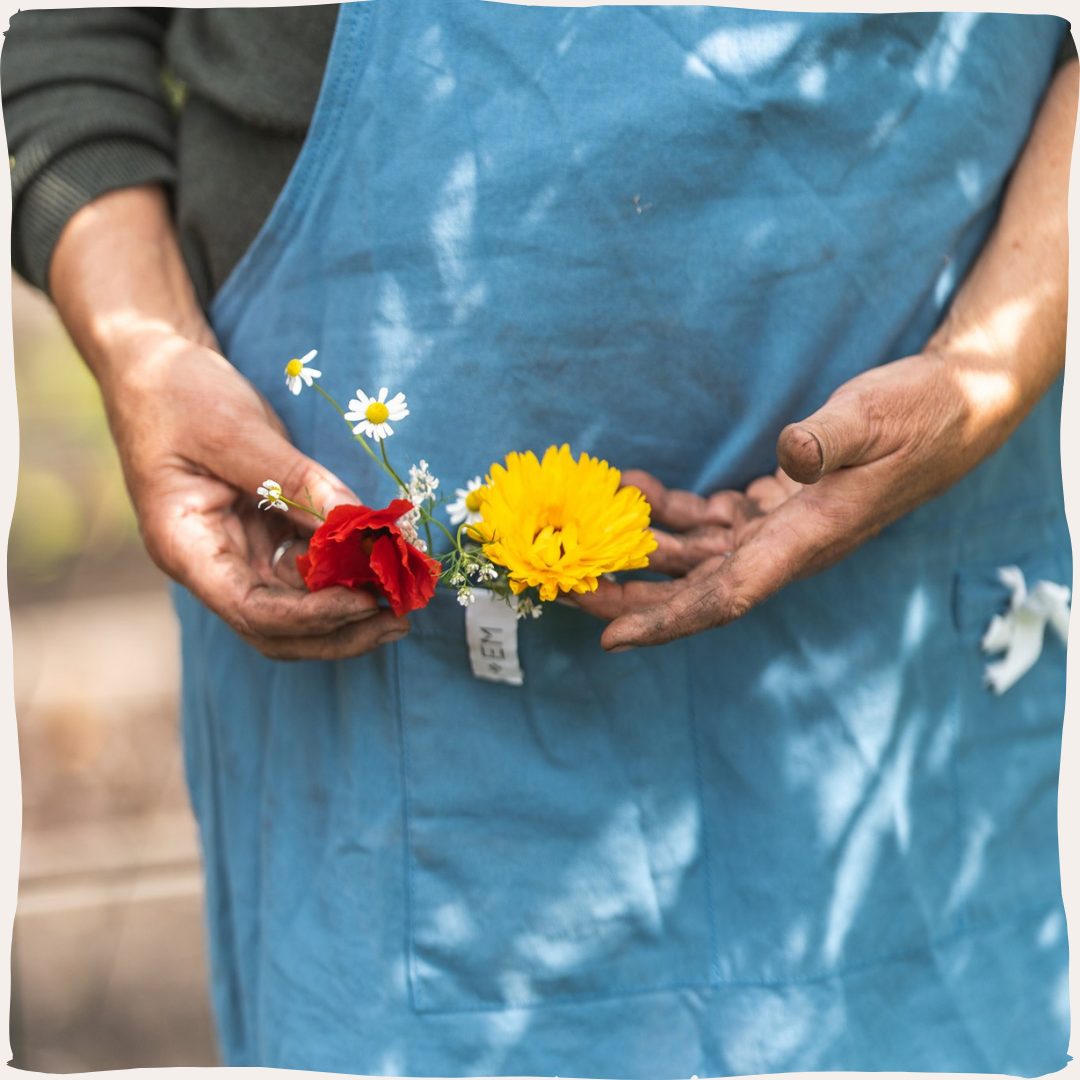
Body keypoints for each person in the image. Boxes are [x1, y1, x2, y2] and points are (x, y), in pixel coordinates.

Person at [3, 4, 1076, 1075]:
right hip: (391, 716)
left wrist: (997, 352)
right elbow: (69, 40)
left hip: (915, 618)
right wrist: (145, 345)